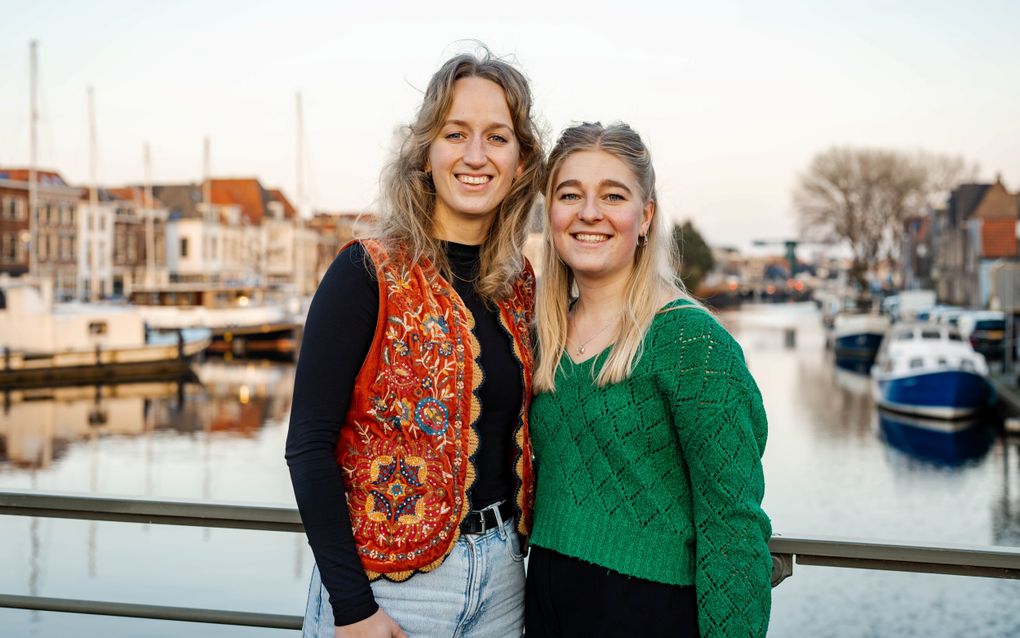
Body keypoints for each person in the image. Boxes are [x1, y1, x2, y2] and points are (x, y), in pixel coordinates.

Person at [285, 49, 543, 638]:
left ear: (521, 161)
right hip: (388, 594)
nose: (475, 156)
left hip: (505, 585)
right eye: (456, 134)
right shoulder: (365, 273)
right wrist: (352, 610)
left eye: (497, 137)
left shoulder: (519, 287)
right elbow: (308, 448)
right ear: (427, 153)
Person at [525, 122, 772, 637]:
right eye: (570, 195)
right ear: (550, 214)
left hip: (648, 617)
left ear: (646, 216)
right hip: (544, 611)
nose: (589, 213)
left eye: (613, 196)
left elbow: (734, 528)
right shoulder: (542, 336)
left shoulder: (690, 343)